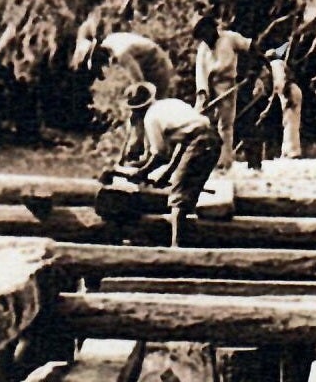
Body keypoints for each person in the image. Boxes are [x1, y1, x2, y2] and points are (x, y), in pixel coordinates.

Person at [105, 82, 219, 248]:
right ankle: (189, 238)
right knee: (186, 189)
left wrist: (141, 173)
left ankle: (176, 246)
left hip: (199, 143)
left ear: (137, 109)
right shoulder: (171, 103)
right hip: (212, 140)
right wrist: (167, 174)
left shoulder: (151, 119)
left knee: (178, 196)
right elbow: (182, 144)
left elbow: (160, 155)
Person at [193, 15, 257, 170]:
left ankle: (225, 160)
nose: (205, 37)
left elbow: (252, 47)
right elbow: (200, 72)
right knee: (199, 121)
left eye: (205, 32)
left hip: (227, 84)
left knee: (226, 123)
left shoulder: (230, 38)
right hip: (208, 86)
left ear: (212, 28)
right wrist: (202, 93)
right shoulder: (203, 48)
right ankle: (199, 159)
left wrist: (252, 70)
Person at [72, 21, 177, 98]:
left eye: (98, 61)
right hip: (152, 63)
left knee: (156, 105)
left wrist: (137, 95)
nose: (103, 65)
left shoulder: (121, 54)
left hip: (159, 67)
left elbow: (139, 83)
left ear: (98, 51)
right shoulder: (110, 40)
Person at [261, 42, 303, 159]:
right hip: (289, 91)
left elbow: (280, 83)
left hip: (289, 92)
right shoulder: (279, 63)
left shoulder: (275, 64)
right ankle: (287, 150)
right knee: (288, 120)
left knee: (290, 121)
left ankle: (292, 151)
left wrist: (268, 108)